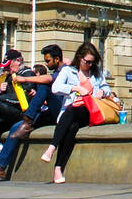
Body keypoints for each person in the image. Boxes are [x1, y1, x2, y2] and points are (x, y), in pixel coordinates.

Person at [0, 45, 63, 181]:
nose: (46, 64)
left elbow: (48, 79)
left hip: (62, 111)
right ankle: (0, 168)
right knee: (17, 127)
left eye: (48, 61)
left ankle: (28, 119)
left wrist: (25, 79)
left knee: (44, 85)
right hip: (50, 110)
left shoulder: (65, 70)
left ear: (57, 59)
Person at [37, 42, 113, 184]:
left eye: (93, 62)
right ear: (79, 58)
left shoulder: (96, 73)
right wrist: (74, 88)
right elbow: (55, 88)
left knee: (73, 109)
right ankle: (58, 169)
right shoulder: (68, 71)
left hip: (90, 111)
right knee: (71, 127)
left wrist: (103, 91)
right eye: (87, 62)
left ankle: (52, 147)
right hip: (71, 112)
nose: (90, 65)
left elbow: (106, 87)